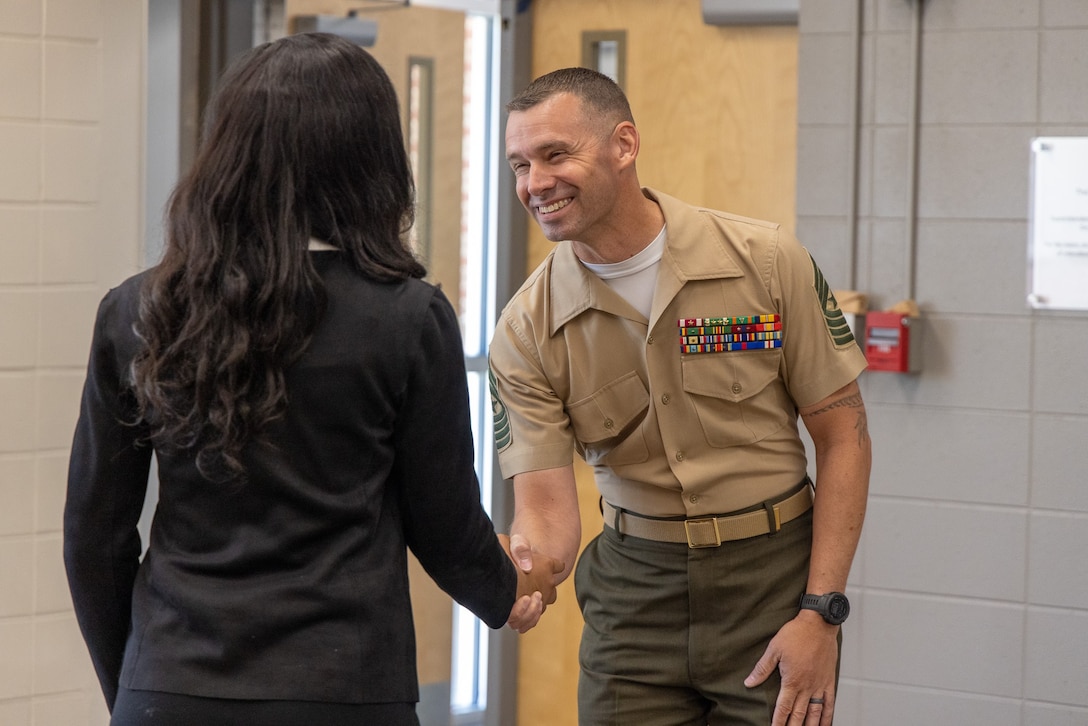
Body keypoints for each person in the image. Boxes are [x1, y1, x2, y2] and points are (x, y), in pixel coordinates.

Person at [63, 32, 559, 726]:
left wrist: (139, 686)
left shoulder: (139, 310)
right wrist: (506, 591)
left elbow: (94, 536)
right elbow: (441, 521)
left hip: (171, 685)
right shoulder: (409, 317)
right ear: (371, 159)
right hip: (345, 689)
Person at [488, 67, 872, 726]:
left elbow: (845, 439)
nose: (535, 183)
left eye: (556, 154)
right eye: (521, 164)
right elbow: (547, 518)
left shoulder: (767, 261)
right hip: (634, 597)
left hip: (773, 583)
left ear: (624, 145)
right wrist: (525, 569)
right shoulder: (526, 327)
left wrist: (822, 614)